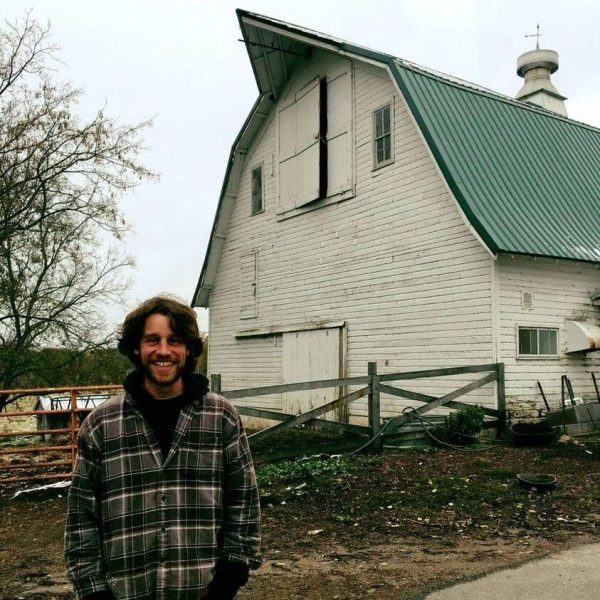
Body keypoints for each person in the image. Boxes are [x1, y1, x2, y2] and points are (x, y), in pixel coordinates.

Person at [65, 295, 261, 600]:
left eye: (175, 340)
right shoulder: (101, 425)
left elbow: (243, 502)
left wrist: (228, 579)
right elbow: (82, 520)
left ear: (190, 349)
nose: (164, 351)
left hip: (202, 591)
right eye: (152, 340)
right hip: (126, 591)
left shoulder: (221, 417)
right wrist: (93, 591)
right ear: (135, 347)